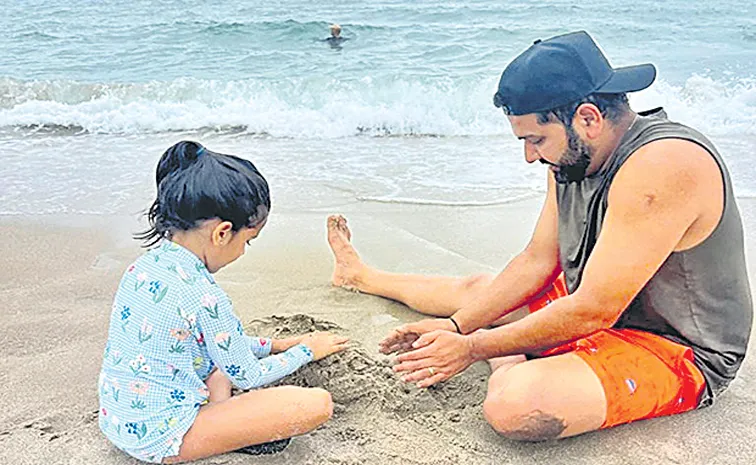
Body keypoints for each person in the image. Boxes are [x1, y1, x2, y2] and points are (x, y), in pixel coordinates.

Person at [326, 31, 753, 441]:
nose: (530, 156)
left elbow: (592, 311)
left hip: (675, 349)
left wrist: (474, 346)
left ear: (587, 117)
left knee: (517, 406)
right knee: (481, 292)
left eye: (535, 139)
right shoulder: (572, 157)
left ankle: (507, 357)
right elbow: (538, 258)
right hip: (603, 312)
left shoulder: (663, 164)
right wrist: (457, 324)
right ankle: (360, 275)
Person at [98, 141, 349, 463]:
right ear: (222, 233)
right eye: (248, 241)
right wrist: (306, 351)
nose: (244, 251)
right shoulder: (204, 295)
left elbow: (207, 343)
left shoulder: (143, 268)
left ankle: (220, 411)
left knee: (218, 365)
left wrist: (278, 344)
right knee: (316, 404)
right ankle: (224, 423)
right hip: (164, 437)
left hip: (120, 420)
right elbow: (249, 375)